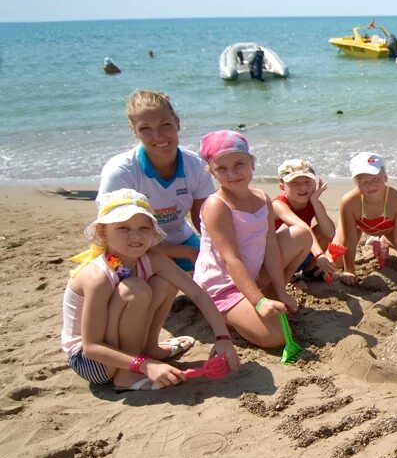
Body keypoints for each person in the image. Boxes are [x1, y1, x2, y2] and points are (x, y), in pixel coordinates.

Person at [62, 189, 239, 392]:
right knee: (135, 290)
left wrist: (223, 338)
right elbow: (91, 347)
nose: (135, 235)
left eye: (144, 228)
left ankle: (150, 349)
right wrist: (145, 366)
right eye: (123, 228)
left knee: (167, 282)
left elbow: (196, 292)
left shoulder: (150, 258)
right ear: (103, 232)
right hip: (93, 362)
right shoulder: (97, 277)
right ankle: (127, 375)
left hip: (113, 350)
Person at [194, 131, 311, 349]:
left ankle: (267, 296)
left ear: (252, 163)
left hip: (252, 275)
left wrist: (280, 290)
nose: (232, 173)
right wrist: (259, 301)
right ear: (211, 171)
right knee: (277, 337)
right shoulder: (217, 206)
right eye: (222, 168)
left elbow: (271, 245)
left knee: (301, 235)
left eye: (239, 164)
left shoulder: (261, 198)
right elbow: (230, 259)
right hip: (223, 285)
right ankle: (228, 313)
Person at [99, 90, 216, 272]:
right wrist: (181, 252)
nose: (158, 136)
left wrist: (219, 249)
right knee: (144, 288)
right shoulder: (120, 171)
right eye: (145, 128)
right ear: (134, 130)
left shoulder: (196, 165)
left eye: (165, 125)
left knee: (218, 266)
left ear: (177, 123)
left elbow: (204, 220)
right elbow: (113, 235)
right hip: (130, 246)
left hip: (179, 237)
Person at [332, 152, 397, 284]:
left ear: (385, 176)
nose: (370, 185)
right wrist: (350, 270)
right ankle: (378, 239)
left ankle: (383, 240)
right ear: (355, 182)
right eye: (362, 181)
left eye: (375, 179)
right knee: (337, 261)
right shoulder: (349, 202)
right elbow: (350, 241)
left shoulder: (396, 200)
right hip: (357, 225)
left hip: (389, 228)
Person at [271, 160, 337, 281]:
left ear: (315, 183)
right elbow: (301, 226)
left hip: (298, 257)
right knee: (291, 229)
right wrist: (319, 255)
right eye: (295, 183)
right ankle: (285, 277)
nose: (302, 188)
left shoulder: (313, 203)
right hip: (274, 260)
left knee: (321, 230)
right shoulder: (278, 204)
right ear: (282, 187)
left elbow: (330, 233)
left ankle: (310, 270)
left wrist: (315, 201)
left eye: (308, 182)